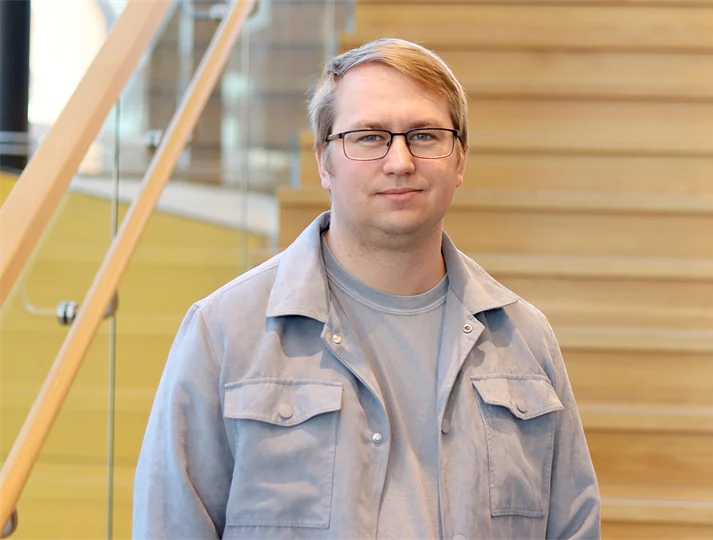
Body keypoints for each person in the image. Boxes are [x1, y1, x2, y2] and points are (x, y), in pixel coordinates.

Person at [132, 37, 601, 539]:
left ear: (459, 161)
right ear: (323, 161)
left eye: (424, 136)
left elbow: (573, 526)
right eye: (369, 137)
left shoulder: (525, 341)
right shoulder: (224, 331)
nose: (399, 161)